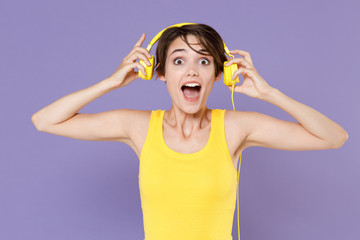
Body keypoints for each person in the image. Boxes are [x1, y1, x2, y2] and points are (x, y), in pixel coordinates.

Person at [31, 23, 348, 240]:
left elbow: (334, 137)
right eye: (179, 61)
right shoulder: (138, 127)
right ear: (160, 73)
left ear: (220, 75)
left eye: (205, 61)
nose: (192, 71)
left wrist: (269, 93)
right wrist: (110, 82)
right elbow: (45, 120)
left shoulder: (236, 128)